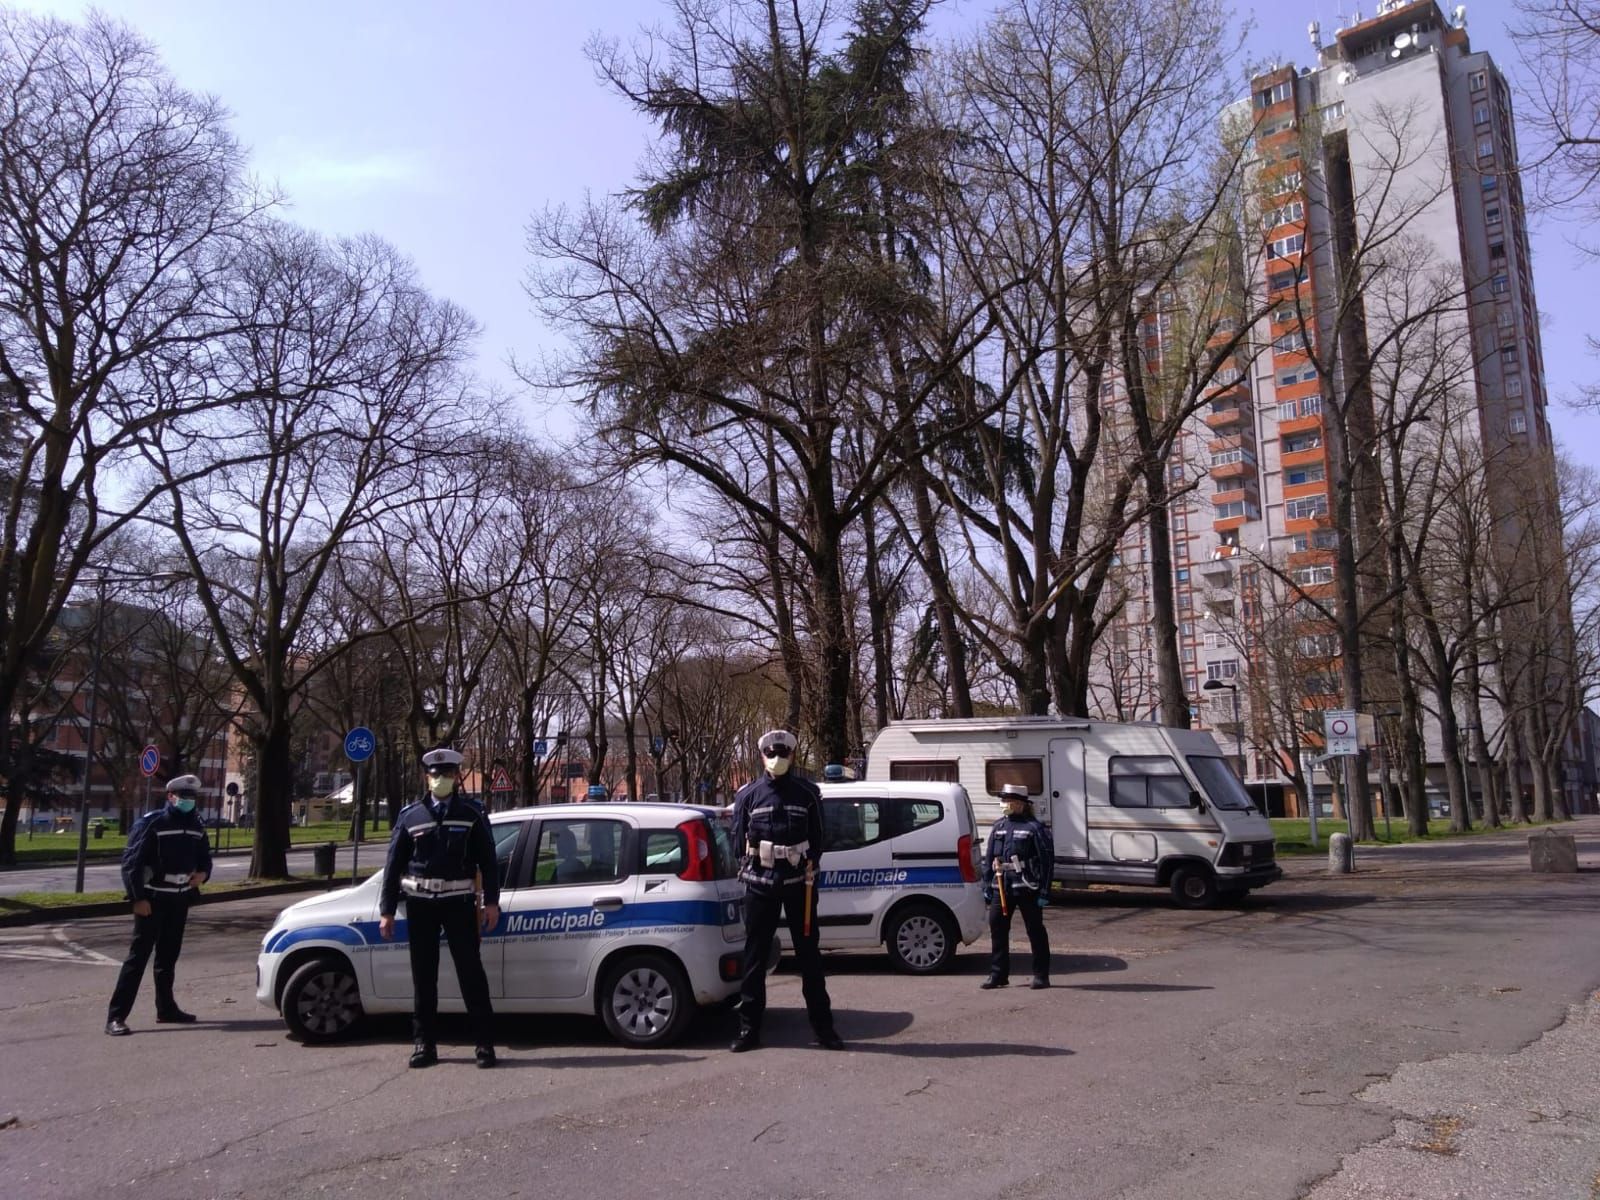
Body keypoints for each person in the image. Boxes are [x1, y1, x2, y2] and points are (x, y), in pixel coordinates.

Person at [379, 747, 501, 1068]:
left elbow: (489, 861)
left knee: (470, 973)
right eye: (436, 775)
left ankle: (484, 1044)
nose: (441, 780)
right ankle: (424, 1044)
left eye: (447, 774)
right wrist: (387, 911)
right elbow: (393, 866)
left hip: (459, 904)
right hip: (420, 905)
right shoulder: (410, 815)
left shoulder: (472, 813)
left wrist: (491, 903)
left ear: (457, 777)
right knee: (423, 976)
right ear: (427, 777)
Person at [727, 729, 844, 1052]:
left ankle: (824, 1029)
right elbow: (737, 843)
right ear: (762, 756)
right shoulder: (748, 796)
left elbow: (819, 838)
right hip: (760, 887)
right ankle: (749, 1030)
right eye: (771, 755)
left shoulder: (807, 794)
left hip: (798, 887)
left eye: (782, 754)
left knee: (810, 959)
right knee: (755, 959)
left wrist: (810, 863)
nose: (776, 760)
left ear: (792, 756)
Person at [105, 773, 212, 1035]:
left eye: (192, 797)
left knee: (168, 957)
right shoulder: (153, 822)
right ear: (170, 796)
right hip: (153, 899)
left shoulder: (197, 825)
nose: (188, 801)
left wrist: (204, 873)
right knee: (138, 958)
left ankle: (166, 1009)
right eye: (183, 796)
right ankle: (116, 1016)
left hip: (179, 897)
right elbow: (132, 862)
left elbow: (205, 857)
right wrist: (137, 898)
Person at [981, 783, 1054, 990]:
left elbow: (1047, 861)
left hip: (1027, 887)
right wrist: (987, 884)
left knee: (1035, 931)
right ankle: (998, 975)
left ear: (1021, 804)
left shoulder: (1034, 828)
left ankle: (1041, 976)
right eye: (1004, 800)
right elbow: (989, 858)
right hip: (1001, 886)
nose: (1005, 804)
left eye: (1009, 801)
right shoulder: (999, 826)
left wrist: (1045, 891)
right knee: (997, 928)